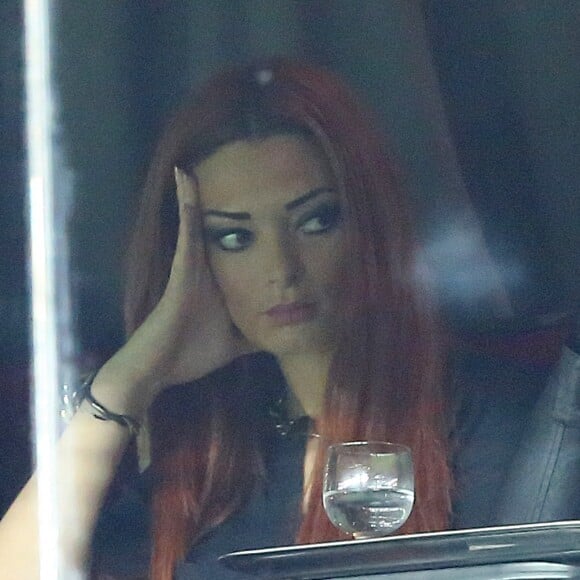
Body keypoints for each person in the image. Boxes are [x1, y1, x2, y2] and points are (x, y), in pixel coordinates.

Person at [0, 58, 575, 580]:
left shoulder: (497, 424)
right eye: (234, 237)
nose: (282, 269)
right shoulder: (214, 459)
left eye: (315, 221)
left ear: (369, 223)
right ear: (192, 259)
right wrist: (126, 384)